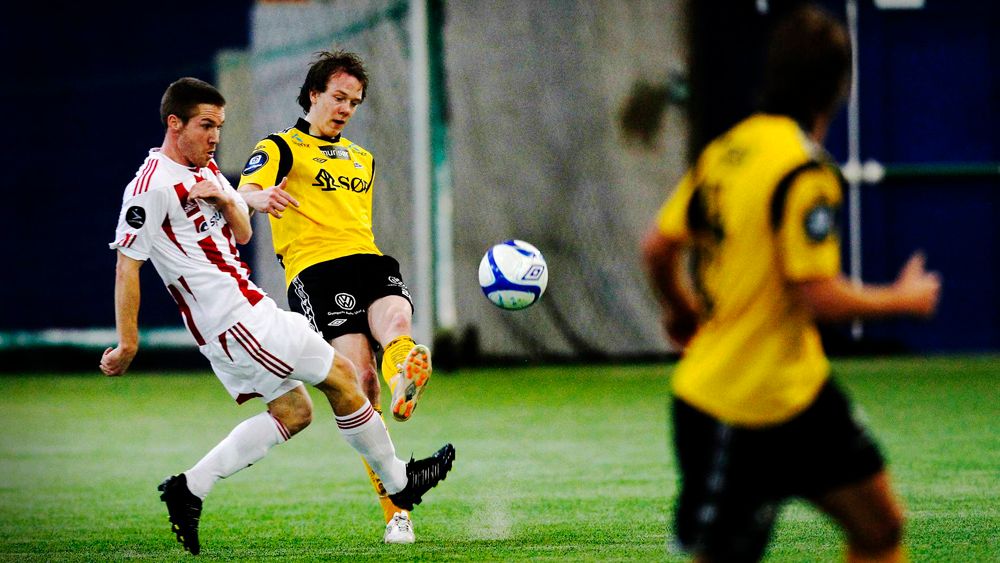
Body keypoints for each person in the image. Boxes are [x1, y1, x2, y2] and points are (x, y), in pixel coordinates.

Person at [101, 77, 454, 556]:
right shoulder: (151, 186)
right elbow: (127, 266)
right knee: (344, 377)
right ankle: (400, 484)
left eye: (219, 127)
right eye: (205, 126)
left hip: (243, 313)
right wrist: (128, 343)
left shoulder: (205, 170)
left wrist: (228, 199)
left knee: (294, 412)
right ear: (174, 123)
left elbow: (243, 233)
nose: (215, 137)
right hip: (234, 318)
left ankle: (190, 487)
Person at [641, 5, 940, 562]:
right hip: (735, 404)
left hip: (799, 394)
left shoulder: (728, 151)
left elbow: (657, 248)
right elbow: (816, 295)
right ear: (838, 87)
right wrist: (903, 299)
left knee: (881, 527)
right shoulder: (806, 170)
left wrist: (681, 309)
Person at [237, 50, 432, 544]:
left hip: (369, 259)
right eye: (339, 97)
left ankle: (403, 383)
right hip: (318, 271)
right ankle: (397, 512)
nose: (346, 108)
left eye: (354, 102)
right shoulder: (281, 146)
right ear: (313, 95)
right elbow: (244, 192)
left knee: (399, 329)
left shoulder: (363, 158)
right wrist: (258, 197)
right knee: (359, 380)